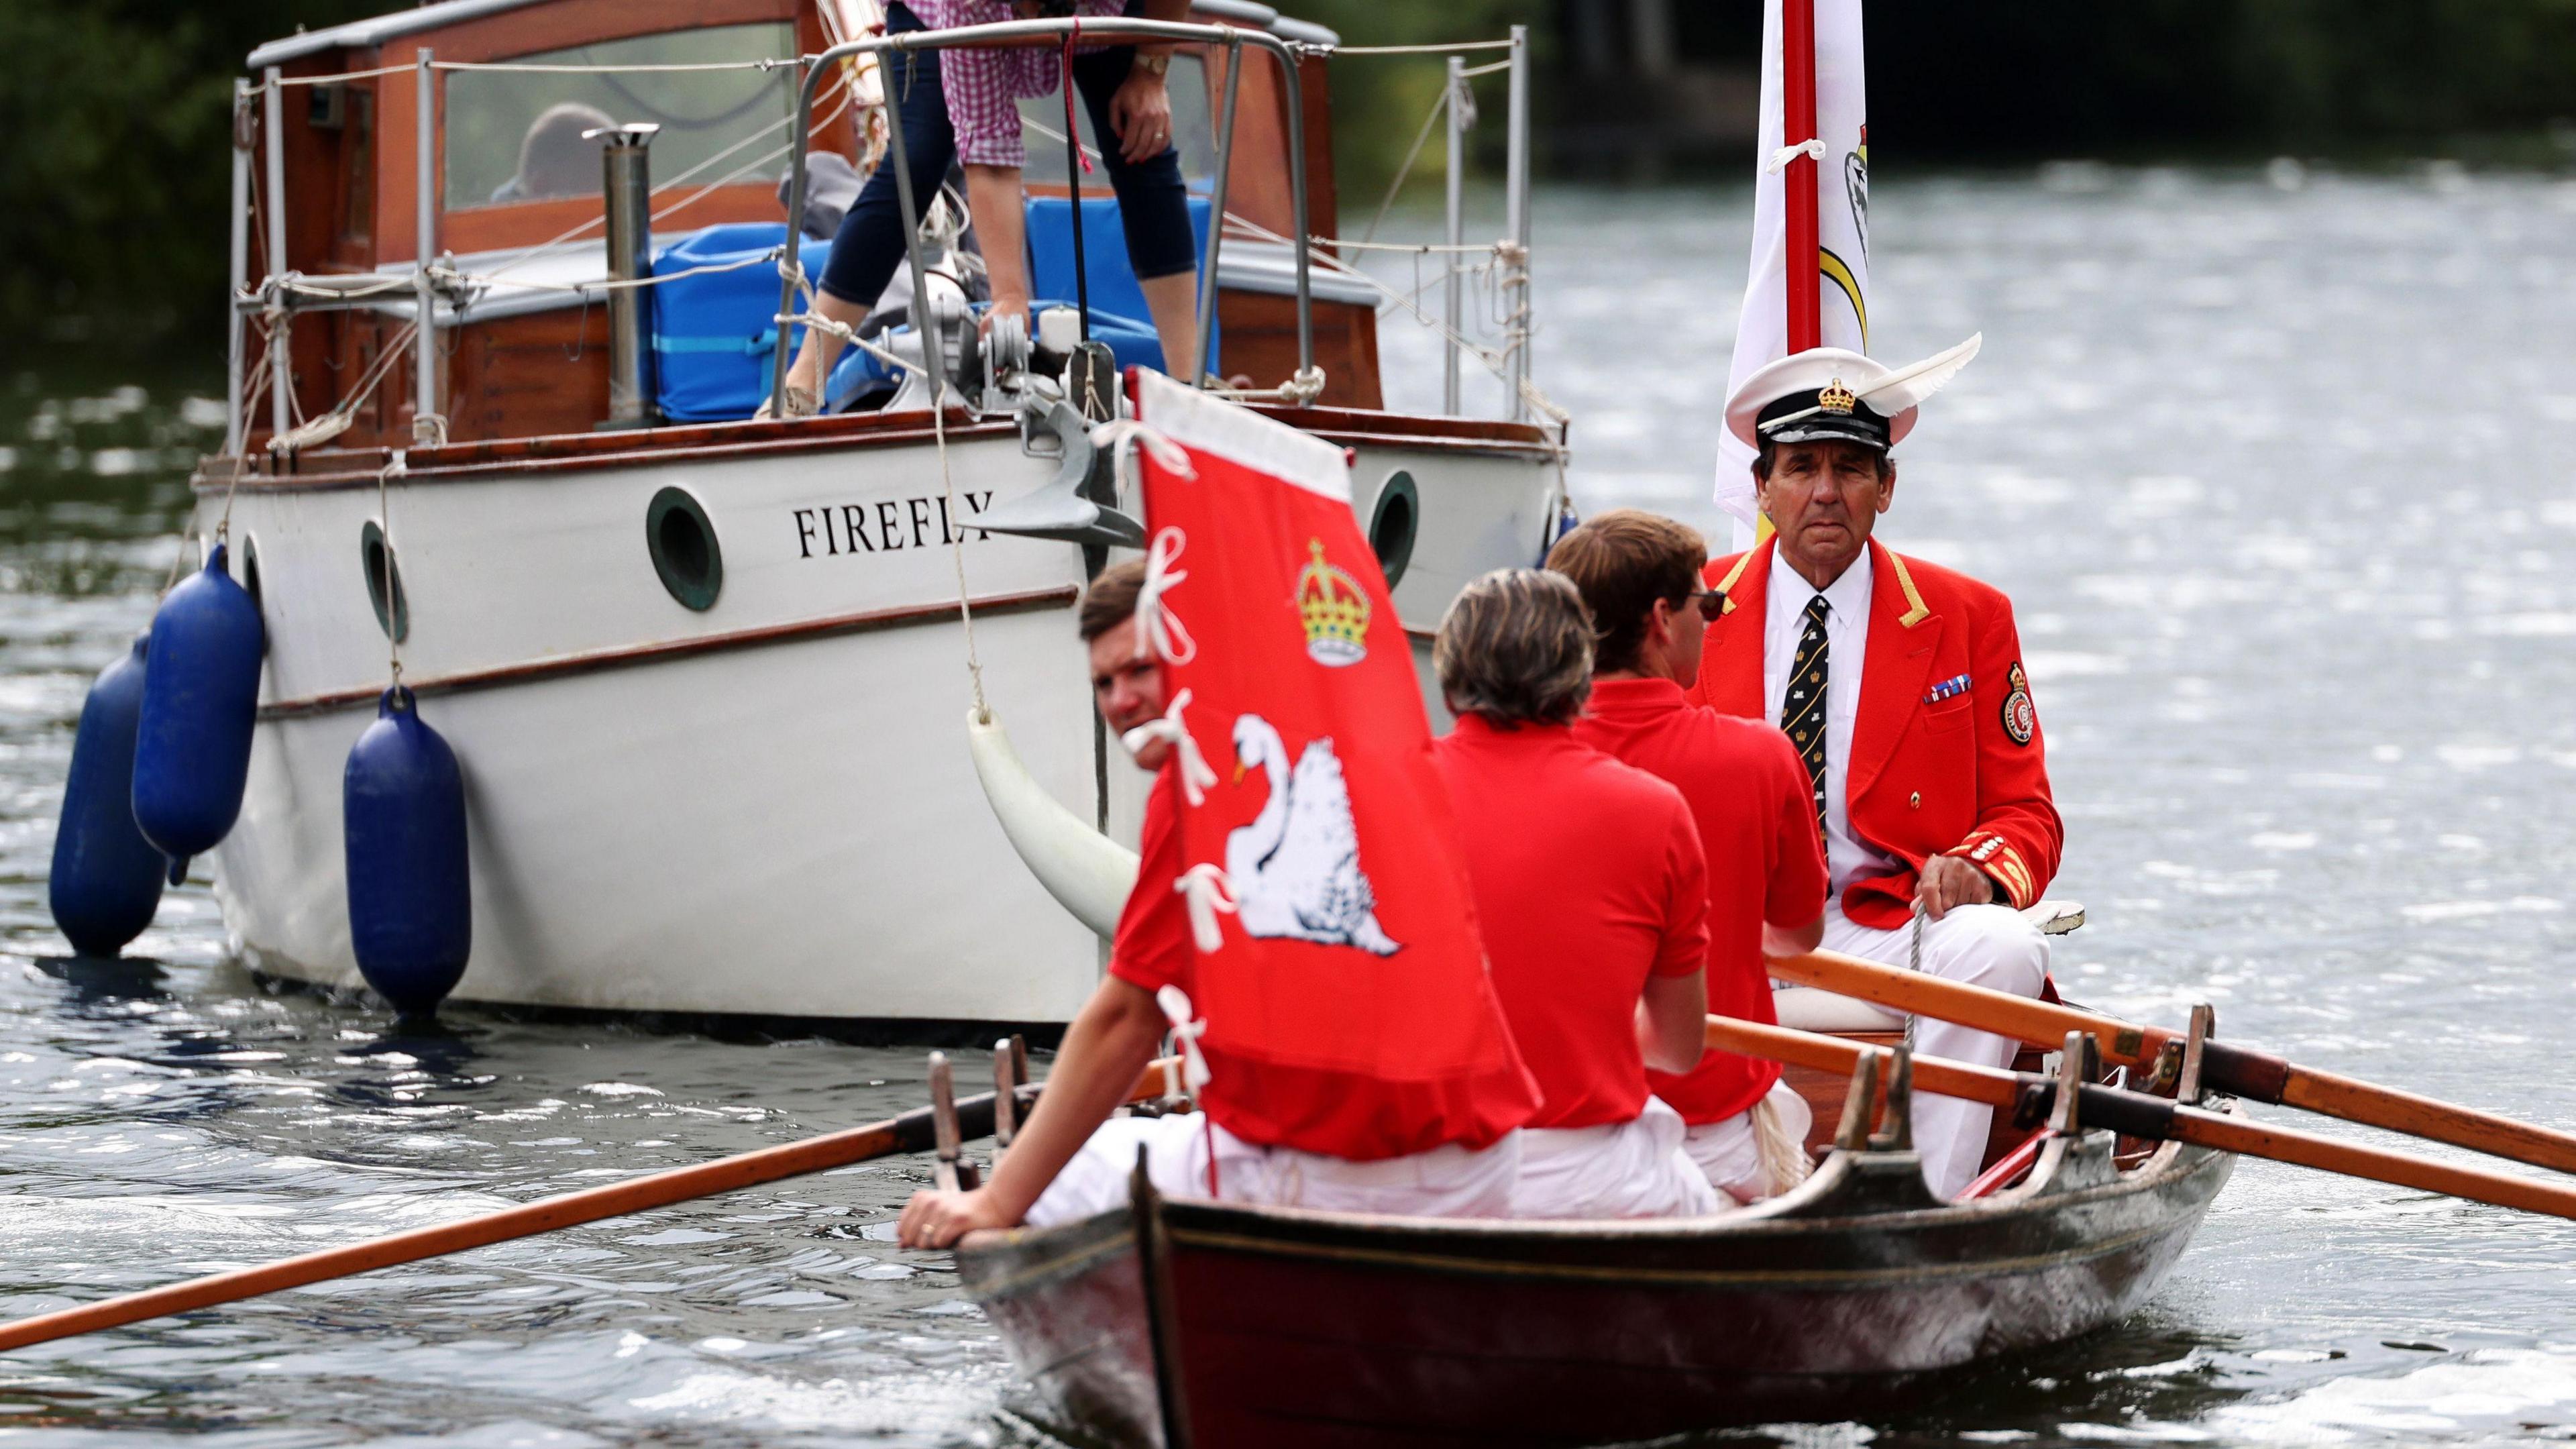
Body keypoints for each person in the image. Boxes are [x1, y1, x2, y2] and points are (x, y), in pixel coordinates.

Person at [896, 561, 1532, 1248]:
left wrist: (994, 1202)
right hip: (1488, 1161)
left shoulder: (1200, 790)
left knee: (1053, 1177)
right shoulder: (1376, 747)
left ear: (1194, 657)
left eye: (1140, 670)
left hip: (1353, 1173)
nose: (1120, 701)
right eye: (1104, 682)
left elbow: (1125, 1019)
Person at [1686, 342, 2062, 1200]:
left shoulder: (1970, 614)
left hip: (1890, 920)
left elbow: (2029, 817)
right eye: (1802, 466)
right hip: (1726, 922)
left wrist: (1977, 871)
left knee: (2004, 949)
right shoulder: (1688, 606)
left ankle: (1915, 1200)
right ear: (1762, 487)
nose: (1826, 491)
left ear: (1885, 489)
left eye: (1852, 468)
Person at [1548, 510, 1829, 1205]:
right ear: (1662, 621)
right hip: (1718, 1129)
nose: (1713, 620)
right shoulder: (1763, 756)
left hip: (1553, 1128)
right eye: (1707, 605)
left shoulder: (1511, 761)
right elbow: (1797, 936)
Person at [1430, 570, 1721, 1220]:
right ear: (1577, 679)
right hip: (1585, 1177)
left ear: (1451, 681)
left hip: (1422, 1171)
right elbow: (1679, 1047)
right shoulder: (1655, 811)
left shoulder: (1379, 794)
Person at [768, 0, 1199, 417]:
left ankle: (1190, 383)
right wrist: (1010, 299)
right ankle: (802, 384)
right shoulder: (968, 5)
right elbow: (990, 156)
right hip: (942, 13)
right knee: (914, 162)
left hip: (1105, 11)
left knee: (1144, 148)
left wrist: (1151, 68)